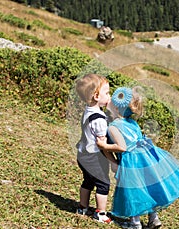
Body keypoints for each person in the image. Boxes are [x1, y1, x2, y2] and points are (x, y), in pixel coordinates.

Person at [97, 87, 179, 229]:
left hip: (131, 161)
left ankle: (135, 223)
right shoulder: (132, 122)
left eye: (111, 101)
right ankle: (154, 218)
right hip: (146, 157)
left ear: (117, 107)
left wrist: (104, 146)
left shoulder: (113, 126)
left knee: (134, 191)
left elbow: (122, 147)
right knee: (147, 188)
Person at [75, 73, 124, 224]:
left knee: (88, 181)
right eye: (107, 93)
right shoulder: (100, 120)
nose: (109, 96)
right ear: (96, 96)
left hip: (83, 154)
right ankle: (100, 213)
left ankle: (82, 207)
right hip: (94, 156)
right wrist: (113, 161)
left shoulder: (89, 110)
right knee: (103, 183)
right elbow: (102, 146)